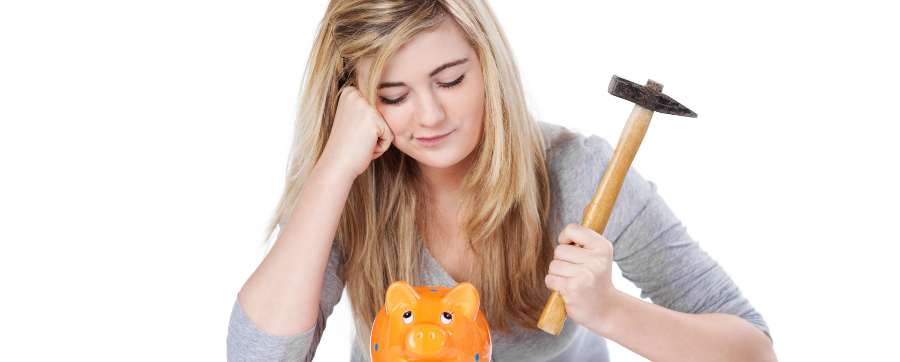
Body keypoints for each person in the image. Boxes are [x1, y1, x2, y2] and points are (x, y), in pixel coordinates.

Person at [227, 0, 776, 361]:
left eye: (451, 79)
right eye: (393, 96)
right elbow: (258, 356)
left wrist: (611, 310)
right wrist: (331, 172)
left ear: (489, 64)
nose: (431, 116)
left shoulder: (580, 173)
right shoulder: (353, 185)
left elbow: (752, 350)